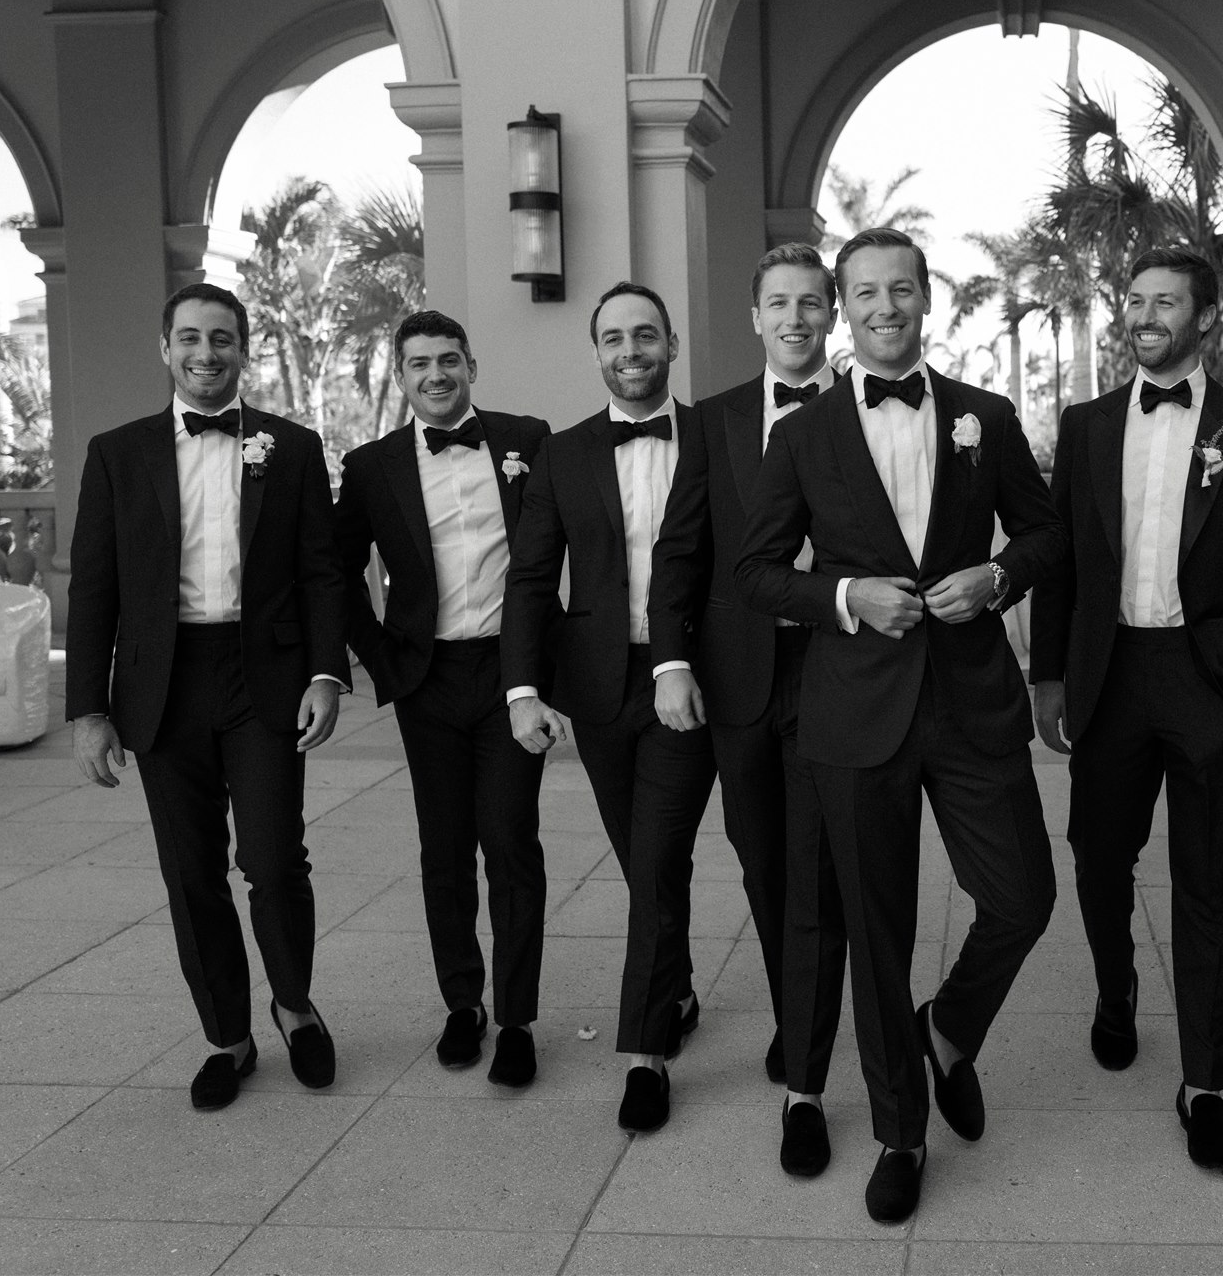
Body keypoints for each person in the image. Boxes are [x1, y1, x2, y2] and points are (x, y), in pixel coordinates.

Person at [736, 226, 1063, 1224]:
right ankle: (899, 1132)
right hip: (854, 712)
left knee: (1022, 896)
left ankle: (948, 1028)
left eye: (902, 290)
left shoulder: (982, 415)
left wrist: (999, 575)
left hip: (969, 702)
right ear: (842, 306)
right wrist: (843, 599)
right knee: (875, 933)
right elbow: (754, 573)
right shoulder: (800, 435)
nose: (884, 307)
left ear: (927, 297)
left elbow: (1047, 530)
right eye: (864, 293)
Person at [1030, 246, 1223, 1171]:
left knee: (1210, 882)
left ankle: (1205, 1082)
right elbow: (1062, 557)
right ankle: (1116, 990)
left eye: (1166, 302)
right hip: (1109, 676)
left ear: (1205, 318)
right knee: (1098, 859)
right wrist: (1049, 680)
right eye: (1136, 300)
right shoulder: (1088, 423)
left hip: (1207, 678)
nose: (1145, 314)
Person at [67, 283, 348, 1111]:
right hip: (163, 684)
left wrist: (327, 675)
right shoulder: (117, 453)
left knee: (272, 858)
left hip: (263, 676)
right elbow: (95, 588)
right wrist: (88, 709)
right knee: (191, 871)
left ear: (243, 349)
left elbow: (320, 571)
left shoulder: (289, 447)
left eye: (222, 339)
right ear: (165, 348)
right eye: (189, 338)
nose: (205, 353)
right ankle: (228, 1036)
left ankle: (294, 1007)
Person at [647, 242, 849, 1177]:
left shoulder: (866, 409)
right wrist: (672, 662)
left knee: (830, 869)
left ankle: (808, 1052)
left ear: (831, 315)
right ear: (756, 317)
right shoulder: (715, 421)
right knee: (766, 865)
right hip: (736, 682)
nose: (797, 319)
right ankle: (794, 1013)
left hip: (844, 676)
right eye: (780, 304)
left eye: (813, 302)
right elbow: (677, 556)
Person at [501, 282, 715, 1134]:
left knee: (658, 859)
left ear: (671, 345)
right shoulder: (563, 453)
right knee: (642, 861)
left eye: (646, 336)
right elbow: (529, 577)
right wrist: (522, 691)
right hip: (597, 689)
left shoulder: (716, 438)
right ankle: (681, 984)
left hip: (689, 685)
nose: (630, 351)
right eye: (614, 338)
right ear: (597, 352)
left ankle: (644, 1054)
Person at [334, 310, 553, 1086]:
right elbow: (333, 572)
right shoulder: (371, 467)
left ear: (471, 365)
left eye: (450, 360)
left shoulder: (528, 439)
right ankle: (465, 1004)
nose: (436, 374)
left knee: (511, 844)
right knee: (445, 849)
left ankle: (519, 1017)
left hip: (511, 677)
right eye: (420, 363)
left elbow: (570, 539)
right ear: (402, 375)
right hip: (425, 678)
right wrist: (379, 661)